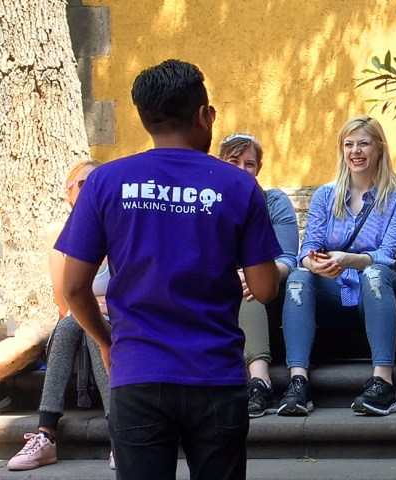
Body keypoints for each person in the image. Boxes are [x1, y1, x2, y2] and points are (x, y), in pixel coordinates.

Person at [55, 59, 281, 480]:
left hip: (138, 372)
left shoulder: (105, 181)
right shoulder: (238, 185)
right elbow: (264, 289)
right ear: (204, 115)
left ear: (145, 118)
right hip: (216, 375)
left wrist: (107, 341)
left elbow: (72, 288)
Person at [278, 115, 396, 417]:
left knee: (375, 272)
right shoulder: (325, 196)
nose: (356, 151)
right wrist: (315, 264)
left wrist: (348, 260)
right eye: (349, 144)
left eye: (364, 143)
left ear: (379, 149)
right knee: (300, 277)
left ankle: (383, 383)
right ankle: (298, 383)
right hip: (337, 291)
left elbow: (389, 254)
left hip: (384, 292)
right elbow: (308, 249)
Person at [7, 160, 113, 472]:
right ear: (68, 194)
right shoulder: (60, 241)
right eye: (81, 184)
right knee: (73, 325)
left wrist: (92, 304)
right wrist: (95, 304)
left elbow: (126, 291)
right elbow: (65, 300)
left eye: (95, 182)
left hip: (115, 321)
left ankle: (118, 433)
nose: (88, 189)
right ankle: (45, 436)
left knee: (93, 331)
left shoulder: (118, 232)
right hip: (77, 320)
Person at [218, 132, 299, 417]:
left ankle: (259, 380)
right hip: (220, 294)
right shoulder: (211, 202)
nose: (241, 170)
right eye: (233, 162)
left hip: (269, 293)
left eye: (249, 164)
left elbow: (289, 257)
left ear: (258, 169)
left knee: (248, 285)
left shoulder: (273, 201)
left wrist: (259, 276)